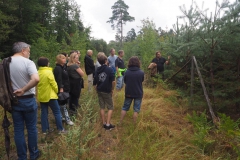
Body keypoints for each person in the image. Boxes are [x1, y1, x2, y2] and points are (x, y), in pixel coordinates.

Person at [9, 42, 40, 159]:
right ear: (23, 50)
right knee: (31, 128)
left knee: (18, 130)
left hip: (13, 100)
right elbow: (36, 79)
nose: (29, 54)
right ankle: (33, 154)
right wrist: (23, 89)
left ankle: (22, 157)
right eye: (28, 51)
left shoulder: (5, 62)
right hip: (27, 99)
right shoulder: (28, 62)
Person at [37, 57, 67, 134]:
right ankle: (60, 129)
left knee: (44, 113)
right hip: (51, 96)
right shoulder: (49, 72)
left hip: (42, 96)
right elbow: (53, 84)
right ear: (46, 64)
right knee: (57, 112)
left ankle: (45, 130)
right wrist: (57, 91)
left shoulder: (38, 72)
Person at [93, 52, 115, 130]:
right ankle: (108, 125)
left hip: (99, 90)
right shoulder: (109, 69)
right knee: (110, 107)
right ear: (106, 60)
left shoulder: (98, 69)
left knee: (102, 107)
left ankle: (104, 123)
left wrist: (95, 86)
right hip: (106, 91)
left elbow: (95, 80)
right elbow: (113, 81)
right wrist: (112, 89)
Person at [120, 56, 144, 123]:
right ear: (138, 63)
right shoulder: (141, 72)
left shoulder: (126, 72)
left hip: (128, 92)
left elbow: (125, 81)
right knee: (136, 110)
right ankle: (134, 124)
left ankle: (120, 122)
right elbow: (141, 81)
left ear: (130, 63)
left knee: (125, 107)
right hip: (138, 93)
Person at [54, 54, 74, 125]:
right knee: (63, 104)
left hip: (66, 87)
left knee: (63, 104)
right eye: (63, 58)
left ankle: (62, 117)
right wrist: (61, 88)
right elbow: (58, 79)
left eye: (65, 58)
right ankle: (67, 119)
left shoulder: (63, 67)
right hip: (62, 89)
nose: (65, 59)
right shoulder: (58, 68)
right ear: (59, 60)